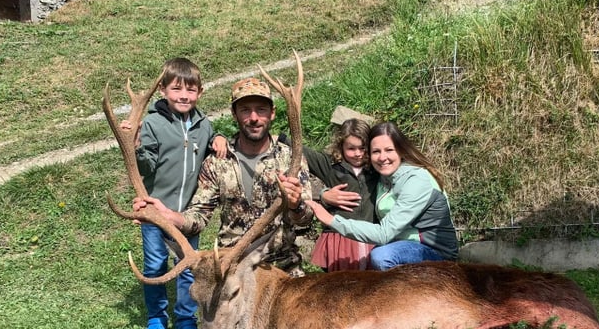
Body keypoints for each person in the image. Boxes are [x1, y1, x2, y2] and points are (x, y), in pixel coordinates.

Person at [136, 76, 314, 278]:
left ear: (272, 113)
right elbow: (198, 218)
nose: (253, 117)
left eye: (261, 109)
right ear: (234, 114)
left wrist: (296, 204)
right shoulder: (217, 162)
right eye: (245, 110)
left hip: (282, 268)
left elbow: (306, 219)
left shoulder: (291, 158)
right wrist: (169, 216)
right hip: (232, 268)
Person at [127, 57, 228, 329]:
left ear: (200, 92)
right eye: (176, 89)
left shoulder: (203, 124)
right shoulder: (153, 124)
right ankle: (156, 317)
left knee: (187, 268)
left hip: (186, 214)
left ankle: (185, 318)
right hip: (155, 212)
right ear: (162, 90)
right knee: (155, 265)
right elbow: (146, 166)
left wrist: (219, 136)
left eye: (191, 90)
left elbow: (211, 141)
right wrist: (135, 148)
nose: (184, 95)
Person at [307, 122, 458, 270]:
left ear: (401, 150)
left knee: (382, 256)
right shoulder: (383, 177)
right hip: (399, 244)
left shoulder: (417, 180)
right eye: (376, 151)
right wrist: (324, 194)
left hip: (431, 250)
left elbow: (385, 233)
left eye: (389, 150)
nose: (382, 157)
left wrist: (331, 220)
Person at [304, 118, 379, 271]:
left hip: (369, 236)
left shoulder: (377, 168)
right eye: (351, 148)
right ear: (341, 147)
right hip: (338, 238)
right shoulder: (330, 166)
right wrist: (323, 195)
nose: (358, 154)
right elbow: (299, 149)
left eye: (363, 148)